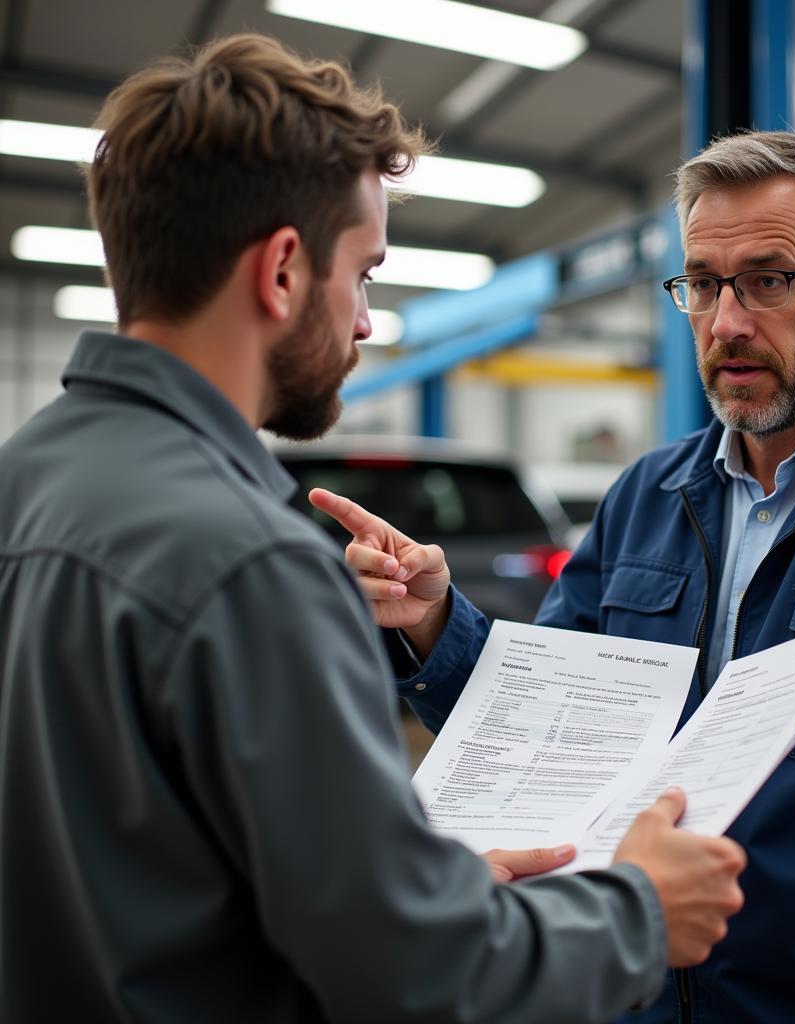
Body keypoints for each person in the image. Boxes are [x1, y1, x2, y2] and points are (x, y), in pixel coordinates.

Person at [0, 34, 748, 1024]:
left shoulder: (22, 485)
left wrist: (416, 893)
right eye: (364, 272)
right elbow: (423, 983)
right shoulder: (250, 565)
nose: (363, 322)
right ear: (279, 271)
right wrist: (637, 910)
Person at [316, 131, 795, 1023]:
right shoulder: (648, 495)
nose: (727, 322)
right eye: (702, 283)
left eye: (769, 279)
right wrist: (433, 623)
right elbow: (543, 733)